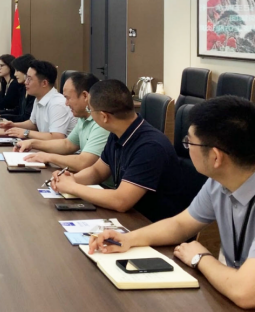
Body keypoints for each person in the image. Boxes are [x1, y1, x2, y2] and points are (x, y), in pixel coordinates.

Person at [88, 96, 255, 309]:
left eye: (189, 142)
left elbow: (245, 293)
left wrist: (200, 258)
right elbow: (180, 225)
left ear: (216, 157)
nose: (186, 148)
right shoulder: (218, 183)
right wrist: (127, 239)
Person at [51, 79, 188, 222]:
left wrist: (73, 187)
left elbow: (121, 201)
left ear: (104, 117)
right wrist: (70, 179)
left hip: (149, 223)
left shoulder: (150, 147)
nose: (89, 113)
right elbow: (97, 171)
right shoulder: (118, 133)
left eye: (90, 110)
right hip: (129, 216)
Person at [17, 72, 109, 174]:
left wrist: (48, 157)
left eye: (68, 98)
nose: (66, 103)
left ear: (85, 96)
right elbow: (67, 144)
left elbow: (83, 163)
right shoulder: (83, 118)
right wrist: (33, 143)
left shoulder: (101, 122)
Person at [0, 60, 77, 140]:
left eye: (29, 79)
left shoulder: (58, 104)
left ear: (44, 83)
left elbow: (56, 137)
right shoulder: (38, 98)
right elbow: (33, 124)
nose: (26, 82)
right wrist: (13, 125)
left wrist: (26, 133)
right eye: (26, 78)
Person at [0, 54, 37, 122]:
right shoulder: (23, 89)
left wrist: (0, 116)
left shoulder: (33, 92)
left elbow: (25, 118)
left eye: (17, 70)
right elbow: (17, 110)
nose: (15, 74)